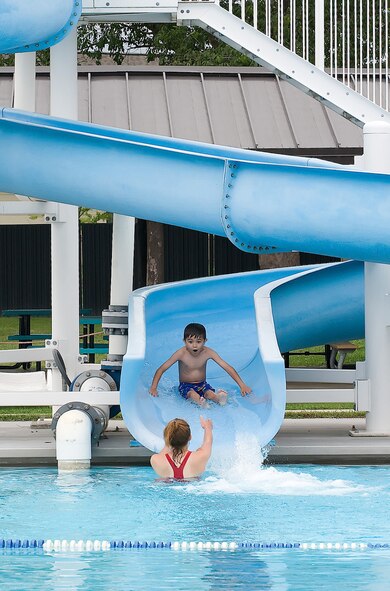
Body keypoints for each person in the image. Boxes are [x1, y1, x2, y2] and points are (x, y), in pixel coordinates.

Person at [149, 322, 251, 406]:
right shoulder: (181, 354)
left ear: (205, 341)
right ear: (184, 341)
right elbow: (162, 369)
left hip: (202, 384)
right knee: (192, 395)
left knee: (210, 394)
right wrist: (154, 388)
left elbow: (227, 367)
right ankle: (201, 402)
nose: (194, 345)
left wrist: (242, 385)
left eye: (198, 341)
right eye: (190, 341)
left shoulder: (208, 352)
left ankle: (219, 399)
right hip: (186, 385)